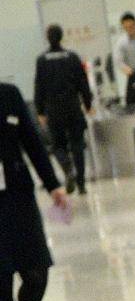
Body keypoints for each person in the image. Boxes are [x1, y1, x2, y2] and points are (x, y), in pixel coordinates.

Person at [0, 81, 68, 301]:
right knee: (1, 285)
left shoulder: (8, 95)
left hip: (18, 196)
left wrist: (53, 184)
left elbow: (32, 141)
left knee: (37, 273)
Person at [34, 24, 94, 194]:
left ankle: (68, 168)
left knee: (57, 145)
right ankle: (81, 184)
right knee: (77, 145)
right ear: (62, 37)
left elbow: (39, 86)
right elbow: (83, 83)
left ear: (48, 38)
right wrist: (88, 104)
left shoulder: (42, 60)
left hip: (53, 109)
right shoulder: (72, 57)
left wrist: (40, 111)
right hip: (73, 107)